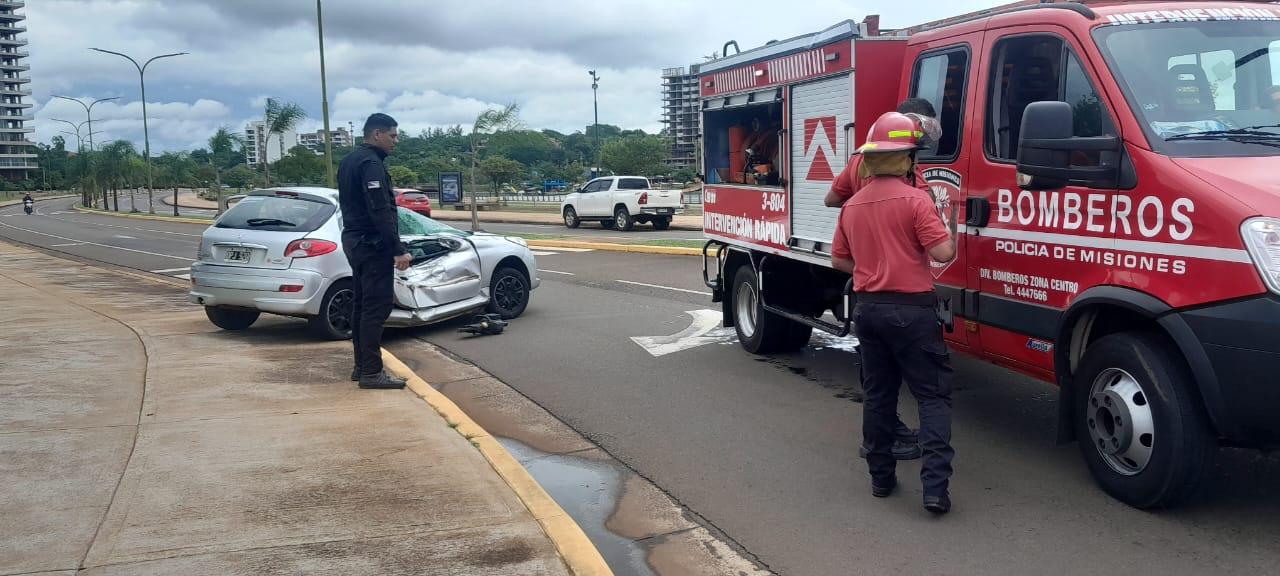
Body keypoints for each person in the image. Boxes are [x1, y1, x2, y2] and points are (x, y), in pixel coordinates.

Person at [831, 112, 958, 514]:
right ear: (906, 159)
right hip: (913, 312)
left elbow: (839, 261)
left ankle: (881, 480)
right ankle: (935, 490)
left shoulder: (851, 206)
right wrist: (948, 228)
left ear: (869, 159)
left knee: (879, 396)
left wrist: (872, 271)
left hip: (868, 310)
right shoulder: (917, 201)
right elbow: (943, 253)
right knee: (932, 398)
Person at [338, 113, 413, 390]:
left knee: (360, 306)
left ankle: (361, 367)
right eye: (392, 136)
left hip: (354, 241)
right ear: (377, 134)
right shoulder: (370, 164)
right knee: (376, 308)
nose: (396, 141)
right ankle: (371, 371)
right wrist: (398, 249)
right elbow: (379, 208)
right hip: (372, 245)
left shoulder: (349, 160)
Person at [823, 98, 939, 208]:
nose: (923, 135)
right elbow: (927, 201)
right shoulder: (904, 161)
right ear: (916, 124)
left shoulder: (857, 159)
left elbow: (831, 199)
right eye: (926, 128)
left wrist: (862, 205)